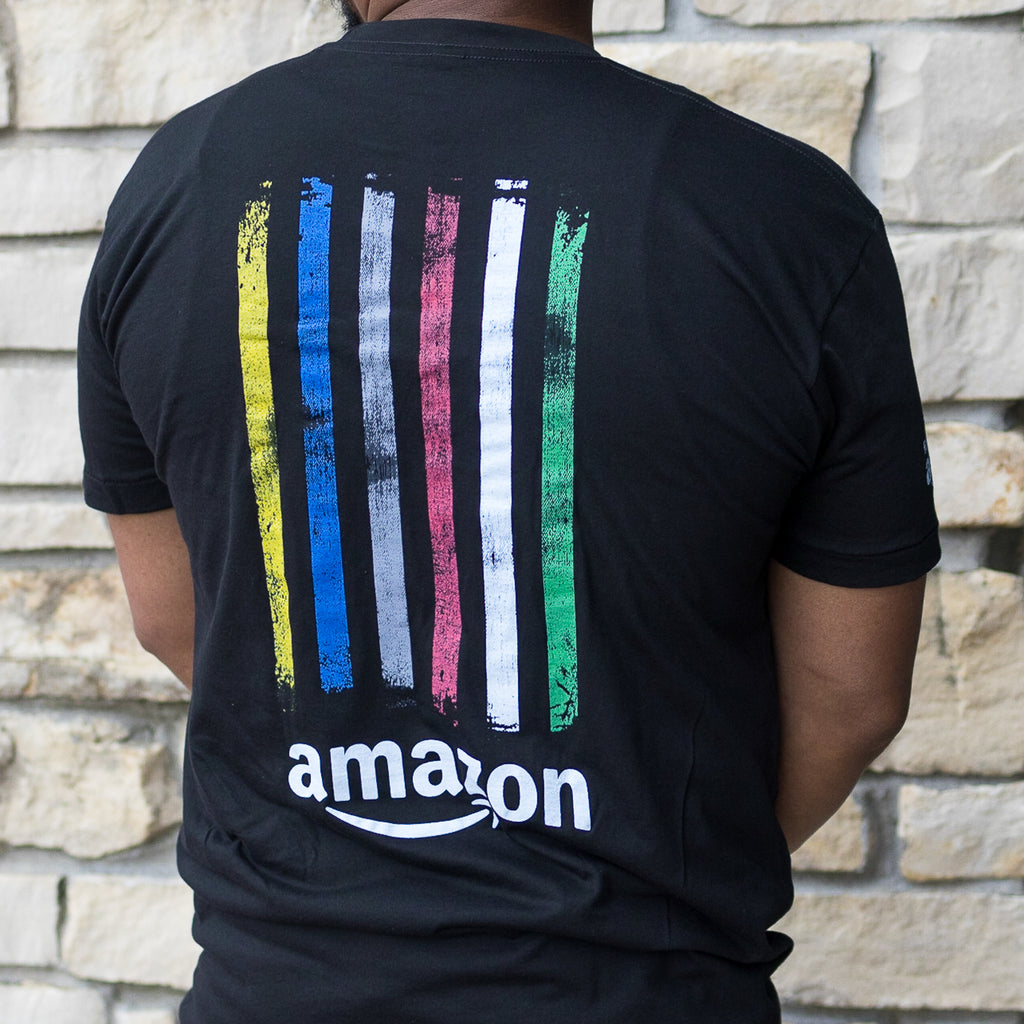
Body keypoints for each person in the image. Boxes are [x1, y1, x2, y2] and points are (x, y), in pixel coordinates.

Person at [77, 1, 940, 1021]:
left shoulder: (178, 184)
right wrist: (646, 854)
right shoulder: (784, 212)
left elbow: (174, 616)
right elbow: (850, 693)